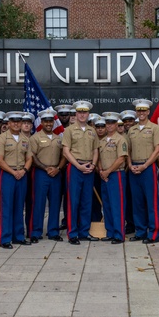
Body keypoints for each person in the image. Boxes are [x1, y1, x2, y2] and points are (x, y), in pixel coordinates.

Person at [62, 101, 99, 244]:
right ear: (76, 114)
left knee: (86, 201)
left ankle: (84, 231)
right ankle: (72, 234)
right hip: (75, 168)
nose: (82, 115)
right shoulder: (69, 130)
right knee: (73, 201)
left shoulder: (92, 131)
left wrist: (93, 165)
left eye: (85, 112)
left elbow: (95, 150)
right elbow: (66, 152)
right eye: (80, 112)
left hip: (89, 167)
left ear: (88, 114)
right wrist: (78, 166)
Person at [127, 99, 159, 243]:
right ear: (136, 112)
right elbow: (128, 150)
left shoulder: (155, 128)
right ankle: (140, 231)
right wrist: (130, 164)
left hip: (148, 168)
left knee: (152, 202)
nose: (141, 113)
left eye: (144, 110)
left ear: (148, 112)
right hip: (134, 168)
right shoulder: (132, 130)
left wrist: (145, 165)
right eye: (139, 111)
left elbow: (158, 149)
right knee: (137, 203)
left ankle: (153, 233)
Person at [0, 111, 32, 249]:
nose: (16, 124)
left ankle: (19, 236)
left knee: (19, 206)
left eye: (18, 122)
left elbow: (29, 159)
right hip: (8, 175)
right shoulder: (2, 138)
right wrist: (13, 172)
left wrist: (23, 171)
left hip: (22, 175)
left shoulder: (25, 139)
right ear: (9, 123)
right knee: (6, 207)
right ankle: (5, 238)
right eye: (13, 122)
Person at [28, 110, 66, 242]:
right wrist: (45, 168)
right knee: (38, 203)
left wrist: (58, 168)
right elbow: (32, 157)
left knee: (55, 203)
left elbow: (63, 156)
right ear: (42, 122)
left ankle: (53, 231)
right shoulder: (35, 138)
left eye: (51, 121)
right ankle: (36, 232)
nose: (49, 124)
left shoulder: (59, 138)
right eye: (46, 121)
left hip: (56, 173)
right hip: (41, 173)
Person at [97, 112, 128, 244]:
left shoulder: (121, 139)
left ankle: (119, 234)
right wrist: (101, 171)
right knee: (107, 205)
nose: (109, 126)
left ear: (116, 124)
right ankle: (110, 232)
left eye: (112, 123)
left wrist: (108, 171)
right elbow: (99, 157)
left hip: (116, 175)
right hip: (104, 176)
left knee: (117, 205)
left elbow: (121, 158)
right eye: (107, 123)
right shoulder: (102, 140)